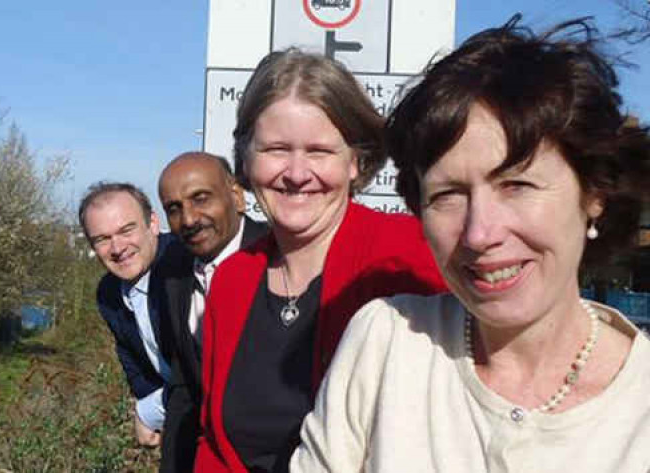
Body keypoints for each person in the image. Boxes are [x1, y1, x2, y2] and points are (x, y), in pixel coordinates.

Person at [291, 16, 650, 472]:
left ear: (594, 192)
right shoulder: (386, 343)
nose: (480, 233)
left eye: (516, 185)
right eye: (448, 195)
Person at [194, 49, 447, 472]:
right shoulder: (232, 279)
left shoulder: (411, 257)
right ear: (247, 158)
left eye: (319, 151)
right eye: (275, 148)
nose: (296, 172)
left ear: (355, 161)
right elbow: (215, 444)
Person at [156, 152, 269, 472]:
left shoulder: (282, 257)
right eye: (174, 209)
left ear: (236, 197)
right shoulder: (172, 271)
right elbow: (185, 387)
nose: (189, 219)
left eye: (201, 198)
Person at [80, 181, 174, 448]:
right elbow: (132, 361)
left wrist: (150, 412)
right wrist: (150, 403)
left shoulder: (184, 271)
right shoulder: (108, 293)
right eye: (102, 239)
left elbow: (203, 373)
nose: (117, 247)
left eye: (126, 230)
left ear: (153, 224)